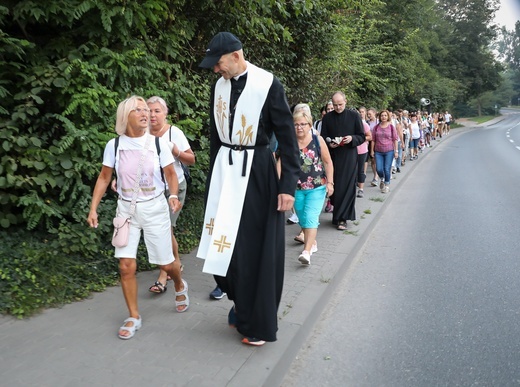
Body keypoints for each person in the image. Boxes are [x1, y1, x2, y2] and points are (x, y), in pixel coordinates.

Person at [197, 32, 300, 346]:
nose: (216, 70)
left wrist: (288, 186)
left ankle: (259, 323)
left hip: (256, 173)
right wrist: (213, 179)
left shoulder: (268, 84)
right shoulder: (220, 86)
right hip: (225, 172)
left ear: (236, 55)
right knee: (225, 247)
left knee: (256, 250)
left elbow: (288, 138)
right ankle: (241, 304)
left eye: (219, 63)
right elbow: (217, 137)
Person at [87, 95, 188, 340]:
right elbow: (103, 177)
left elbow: (171, 173)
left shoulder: (158, 144)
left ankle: (178, 283)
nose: (145, 114)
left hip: (155, 208)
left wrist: (173, 194)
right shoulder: (114, 145)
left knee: (165, 264)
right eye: (138, 110)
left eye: (147, 110)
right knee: (126, 266)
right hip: (126, 211)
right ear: (126, 116)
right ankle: (133, 316)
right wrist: (93, 208)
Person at [146, 96, 196, 294]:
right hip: (153, 190)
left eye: (157, 111)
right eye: (149, 110)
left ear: (165, 113)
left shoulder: (174, 132)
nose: (152, 115)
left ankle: (164, 274)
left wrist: (176, 152)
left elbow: (191, 159)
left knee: (165, 229)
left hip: (175, 188)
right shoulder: (143, 134)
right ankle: (176, 265)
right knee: (164, 230)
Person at [292, 110, 334, 265]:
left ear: (310, 125)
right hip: (296, 188)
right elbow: (281, 162)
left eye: (303, 124)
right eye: (296, 124)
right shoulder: (290, 141)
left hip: (317, 186)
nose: (299, 127)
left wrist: (330, 182)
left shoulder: (317, 139)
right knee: (302, 218)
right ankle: (312, 242)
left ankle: (306, 251)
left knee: (311, 217)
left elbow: (328, 162)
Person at [320, 91, 366, 230]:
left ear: (345, 101)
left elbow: (362, 136)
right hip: (333, 156)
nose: (338, 107)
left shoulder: (354, 116)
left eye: (340, 104)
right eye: (335, 105)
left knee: (347, 187)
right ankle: (338, 213)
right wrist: (329, 143)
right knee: (335, 186)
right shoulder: (327, 118)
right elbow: (324, 136)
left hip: (349, 156)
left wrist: (352, 138)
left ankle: (342, 218)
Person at [370, 110, 398, 193]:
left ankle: (387, 185)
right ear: (380, 117)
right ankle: (382, 178)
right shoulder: (376, 127)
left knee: (387, 169)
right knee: (379, 169)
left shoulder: (391, 127)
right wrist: (372, 150)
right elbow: (373, 140)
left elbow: (395, 139)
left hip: (389, 150)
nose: (384, 117)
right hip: (378, 151)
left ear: (388, 117)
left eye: (385, 115)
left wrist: (396, 151)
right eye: (382, 115)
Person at [356, 106, 372, 198]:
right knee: (352, 170)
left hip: (362, 150)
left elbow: (370, 137)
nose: (360, 113)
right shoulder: (351, 124)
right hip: (352, 150)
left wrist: (359, 139)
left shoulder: (364, 124)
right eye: (359, 112)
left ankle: (361, 189)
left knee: (360, 170)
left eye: (362, 112)